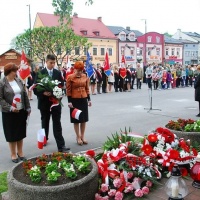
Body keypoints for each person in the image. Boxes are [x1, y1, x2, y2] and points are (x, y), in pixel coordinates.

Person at [34, 54, 70, 153]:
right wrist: (43, 93)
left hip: (55, 103)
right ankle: (44, 139)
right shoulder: (40, 73)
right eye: (51, 63)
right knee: (45, 122)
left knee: (57, 123)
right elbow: (36, 88)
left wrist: (58, 91)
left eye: (54, 63)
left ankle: (61, 145)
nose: (53, 64)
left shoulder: (58, 73)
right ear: (46, 62)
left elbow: (61, 84)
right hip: (44, 103)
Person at [0, 63, 31, 163]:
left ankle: (20, 152)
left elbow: (24, 94)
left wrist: (28, 107)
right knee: (12, 134)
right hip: (9, 113)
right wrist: (10, 108)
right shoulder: (2, 83)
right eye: (14, 71)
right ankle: (13, 154)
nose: (16, 73)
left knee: (20, 132)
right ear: (9, 72)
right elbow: (0, 99)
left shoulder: (18, 80)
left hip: (21, 110)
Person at [67, 61, 92, 145]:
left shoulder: (85, 76)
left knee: (84, 119)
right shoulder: (70, 77)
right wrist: (69, 101)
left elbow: (87, 88)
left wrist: (89, 99)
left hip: (83, 99)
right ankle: (77, 136)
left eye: (81, 71)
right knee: (76, 119)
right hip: (75, 100)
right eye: (78, 70)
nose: (80, 72)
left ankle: (82, 136)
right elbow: (68, 90)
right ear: (75, 69)